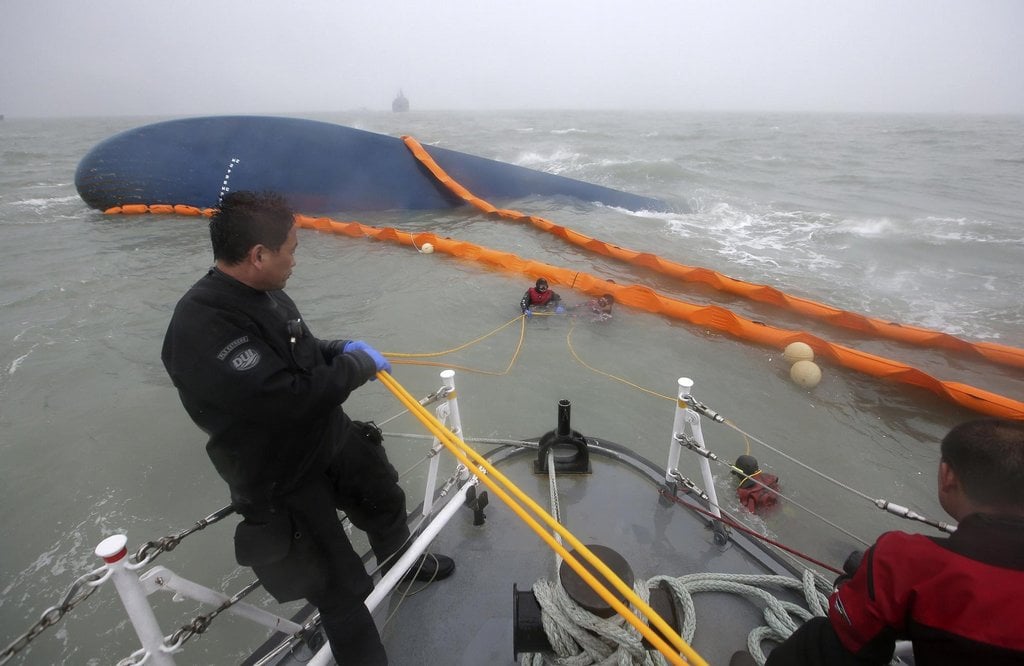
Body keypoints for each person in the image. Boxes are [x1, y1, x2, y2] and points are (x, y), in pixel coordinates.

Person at [161, 191, 454, 665]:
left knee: (384, 499)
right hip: (280, 477)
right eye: (292, 249)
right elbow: (287, 399)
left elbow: (301, 348)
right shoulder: (202, 327)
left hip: (328, 439)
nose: (296, 259)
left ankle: (403, 565)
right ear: (258, 255)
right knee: (336, 587)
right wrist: (356, 367)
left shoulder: (266, 291)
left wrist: (339, 348)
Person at [766, 419, 1024, 665]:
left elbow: (849, 644)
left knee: (816, 641)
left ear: (947, 475)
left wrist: (858, 589)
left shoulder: (907, 560)